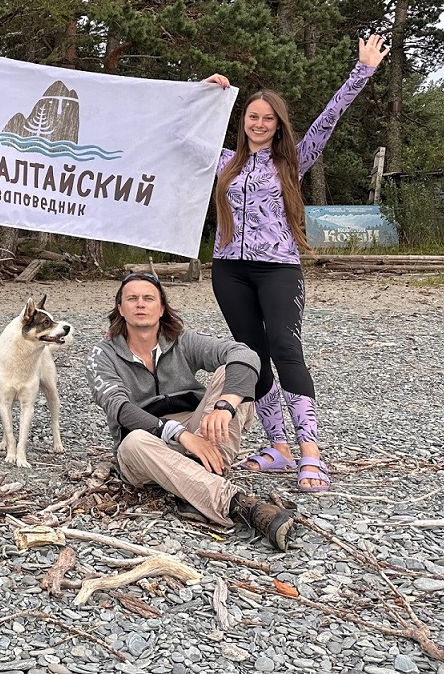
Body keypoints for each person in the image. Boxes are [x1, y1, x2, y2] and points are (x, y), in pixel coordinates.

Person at [203, 35, 388, 493]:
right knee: (251, 356)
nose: (260, 124)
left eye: (268, 119)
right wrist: (202, 93)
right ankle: (278, 447)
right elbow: (175, 136)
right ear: (241, 121)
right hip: (229, 269)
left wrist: (361, 70)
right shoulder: (223, 161)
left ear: (277, 125)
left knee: (286, 352)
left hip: (278, 269)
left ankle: (310, 452)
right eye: (252, 117)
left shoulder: (293, 160)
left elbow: (330, 119)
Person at [85, 273, 296, 550]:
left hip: (200, 433)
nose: (140, 304)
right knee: (134, 441)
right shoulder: (102, 355)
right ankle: (241, 505)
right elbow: (120, 409)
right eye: (132, 298)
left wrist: (225, 406)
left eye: (148, 298)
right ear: (120, 309)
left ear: (161, 308)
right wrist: (180, 435)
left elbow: (246, 354)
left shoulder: (182, 341)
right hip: (147, 445)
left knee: (232, 373)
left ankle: (195, 486)